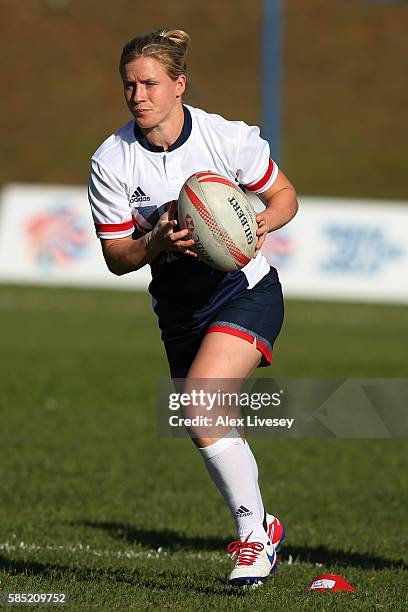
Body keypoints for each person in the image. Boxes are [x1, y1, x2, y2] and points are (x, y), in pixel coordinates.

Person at [88, 28, 298, 587]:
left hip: (244, 291)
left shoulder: (225, 138)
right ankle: (265, 526)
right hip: (180, 311)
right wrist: (155, 244)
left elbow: (284, 197)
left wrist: (256, 223)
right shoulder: (113, 161)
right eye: (129, 85)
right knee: (206, 423)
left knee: (204, 404)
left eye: (150, 83)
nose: (138, 96)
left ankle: (253, 537)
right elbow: (116, 257)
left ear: (179, 84)